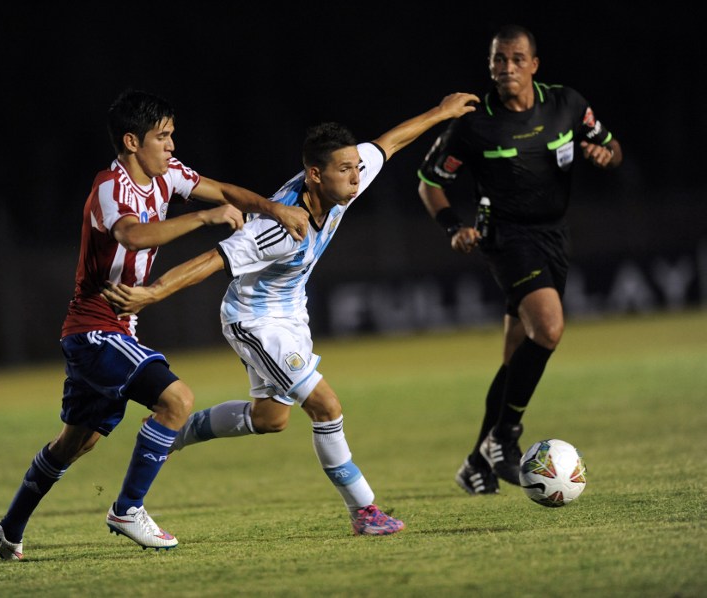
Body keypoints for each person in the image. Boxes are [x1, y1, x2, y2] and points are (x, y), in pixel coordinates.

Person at [101, 91, 480, 535]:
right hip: (254, 320)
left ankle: (171, 435)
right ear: (315, 175)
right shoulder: (277, 228)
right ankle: (364, 511)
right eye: (346, 170)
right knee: (326, 407)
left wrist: (441, 112)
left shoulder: (344, 178)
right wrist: (152, 293)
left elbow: (390, 143)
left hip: (291, 313)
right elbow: (211, 261)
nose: (356, 178)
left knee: (270, 419)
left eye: (356, 168)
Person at [0, 89, 309, 560]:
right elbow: (131, 235)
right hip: (95, 329)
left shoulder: (167, 175)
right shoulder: (110, 187)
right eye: (162, 136)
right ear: (132, 142)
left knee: (77, 442)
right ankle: (127, 509)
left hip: (116, 330)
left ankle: (7, 530)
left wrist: (275, 209)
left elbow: (223, 191)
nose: (172, 145)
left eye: (172, 135)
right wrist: (204, 217)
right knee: (177, 400)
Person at [417, 24, 623, 495]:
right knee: (548, 329)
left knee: (516, 359)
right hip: (505, 237)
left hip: (554, 236)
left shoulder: (566, 104)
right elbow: (429, 182)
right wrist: (453, 228)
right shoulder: (473, 124)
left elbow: (614, 148)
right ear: (490, 66)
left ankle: (476, 463)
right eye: (498, 59)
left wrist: (605, 156)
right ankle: (504, 438)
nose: (506, 67)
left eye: (515, 59)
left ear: (534, 64)